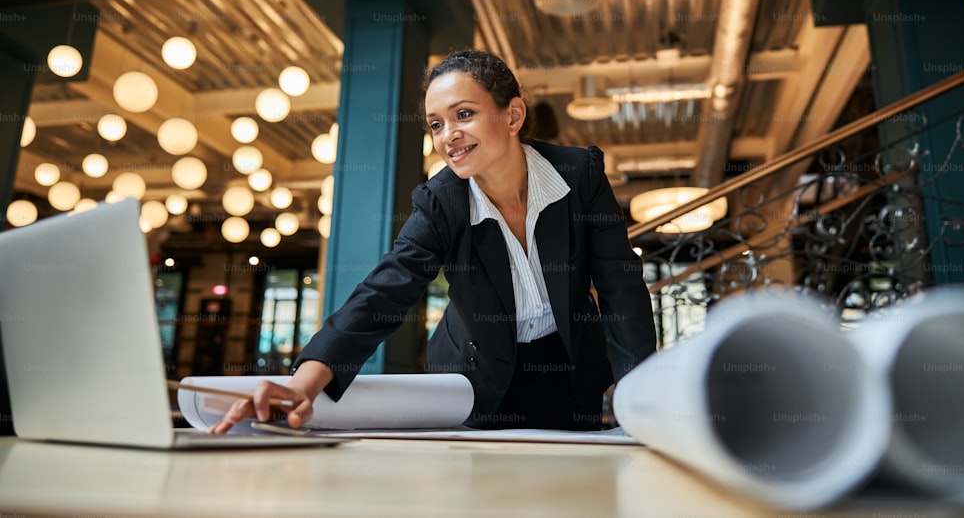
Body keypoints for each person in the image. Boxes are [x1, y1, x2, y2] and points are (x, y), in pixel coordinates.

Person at [210, 50, 657, 433]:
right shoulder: (441, 202)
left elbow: (621, 289)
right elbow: (383, 292)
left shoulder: (580, 177)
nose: (448, 136)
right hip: (475, 373)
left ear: (513, 115)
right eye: (436, 124)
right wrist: (300, 386)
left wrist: (639, 396)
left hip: (569, 365)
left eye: (464, 114)